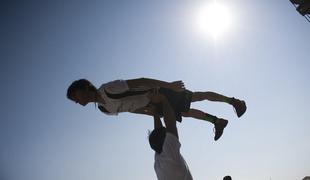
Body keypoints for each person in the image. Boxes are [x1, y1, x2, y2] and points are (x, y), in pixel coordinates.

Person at [66, 78, 247, 140]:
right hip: (153, 104)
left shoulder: (108, 89)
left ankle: (234, 101)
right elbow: (130, 109)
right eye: (74, 101)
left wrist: (169, 85)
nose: (77, 102)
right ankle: (217, 121)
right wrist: (150, 112)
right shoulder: (104, 109)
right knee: (186, 113)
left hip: (161, 91)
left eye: (76, 97)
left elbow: (141, 81)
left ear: (84, 88)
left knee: (197, 97)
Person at [148, 93, 193, 180]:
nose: (168, 132)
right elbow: (170, 123)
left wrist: (155, 113)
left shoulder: (159, 158)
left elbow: (160, 132)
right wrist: (164, 98)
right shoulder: (169, 155)